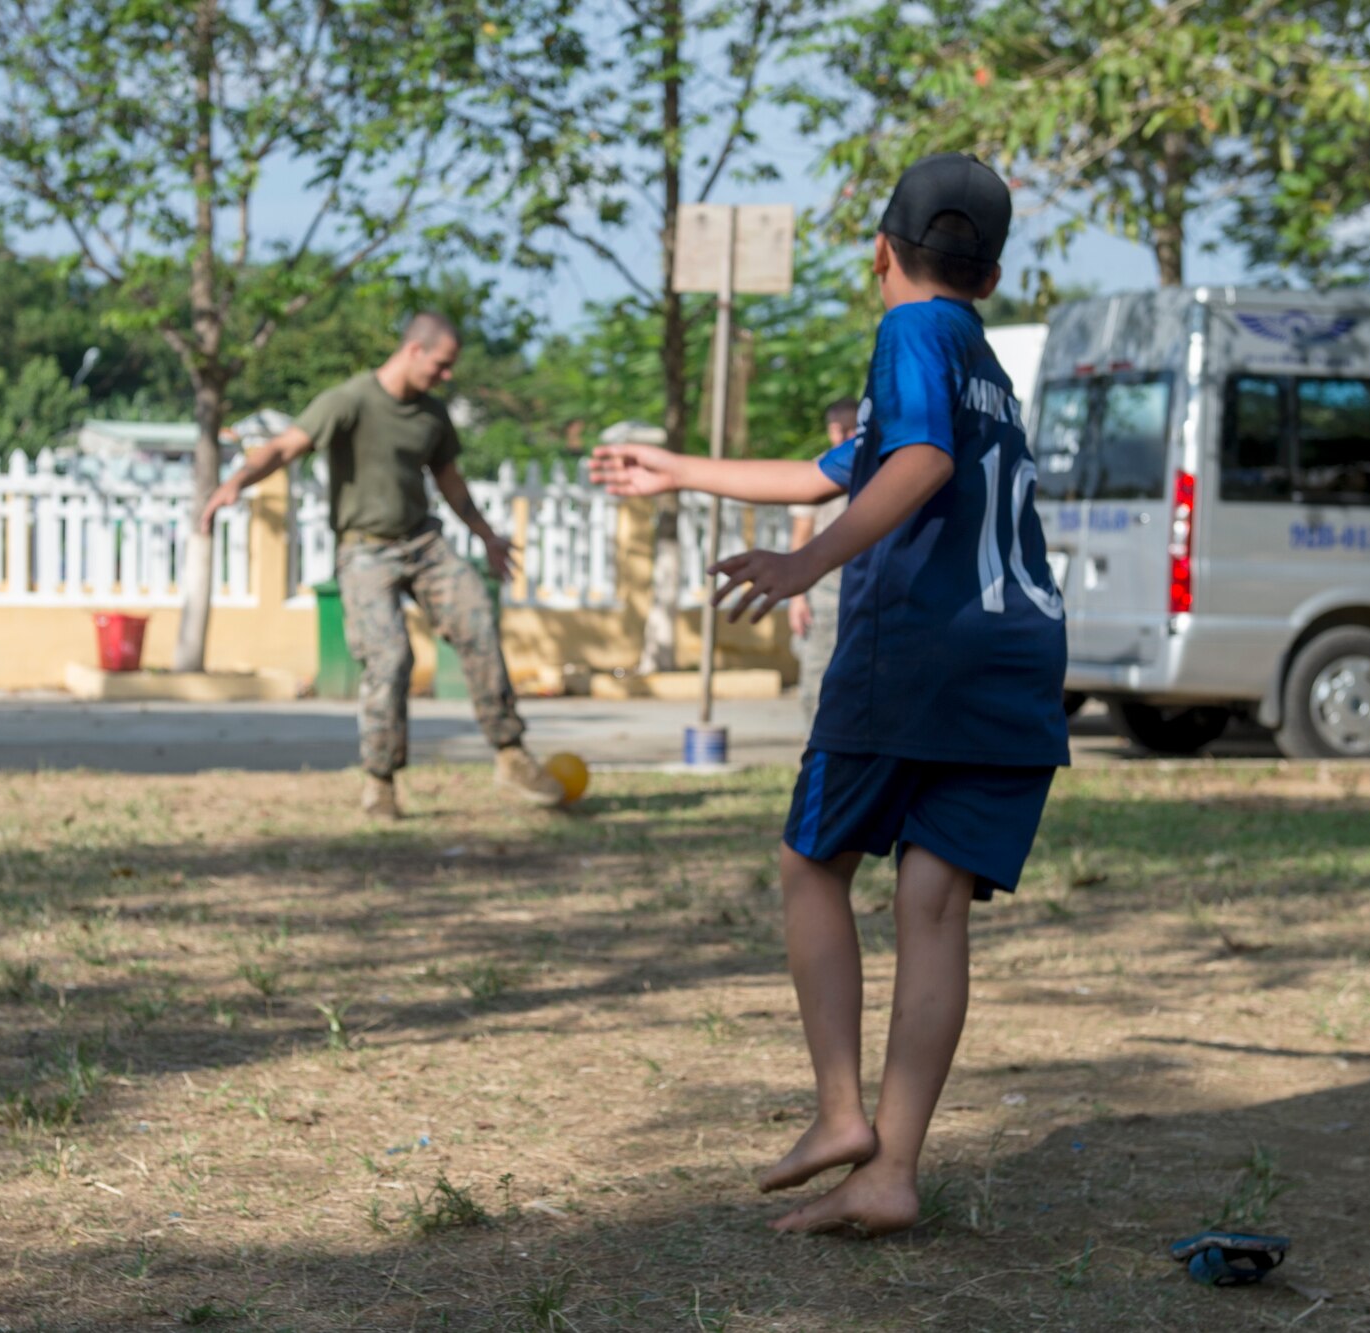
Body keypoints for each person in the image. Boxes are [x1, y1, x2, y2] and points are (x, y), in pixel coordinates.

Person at [590, 154, 1067, 1236]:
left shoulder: (909, 335)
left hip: (918, 653)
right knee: (931, 903)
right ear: (987, 276)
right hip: (1016, 659)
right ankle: (890, 1172)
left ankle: (840, 1114)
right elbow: (841, 465)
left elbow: (919, 464)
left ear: (878, 252)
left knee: (811, 862)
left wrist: (807, 566)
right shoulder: (976, 355)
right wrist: (676, 468)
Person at [201, 313, 564, 819]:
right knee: (390, 658)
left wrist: (487, 537)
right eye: (441, 365)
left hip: (424, 542)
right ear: (414, 350)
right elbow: (286, 445)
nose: (446, 376)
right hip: (365, 549)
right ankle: (380, 780)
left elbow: (450, 481)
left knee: (477, 617)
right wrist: (236, 482)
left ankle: (510, 752)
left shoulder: (432, 415)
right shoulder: (349, 401)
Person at [787, 398, 861, 728]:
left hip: (868, 584)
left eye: (851, 428)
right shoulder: (818, 470)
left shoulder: (879, 468)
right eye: (837, 429)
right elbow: (800, 534)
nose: (844, 436)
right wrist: (796, 598)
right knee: (816, 675)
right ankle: (815, 751)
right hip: (824, 587)